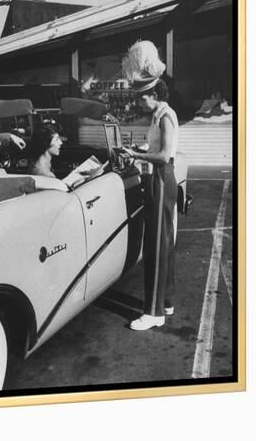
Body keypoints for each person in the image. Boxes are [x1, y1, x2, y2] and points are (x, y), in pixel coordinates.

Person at [122, 40, 179, 331]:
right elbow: (157, 146)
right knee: (163, 243)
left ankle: (154, 313)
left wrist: (136, 154)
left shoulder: (166, 115)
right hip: (161, 177)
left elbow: (164, 155)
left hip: (160, 176)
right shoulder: (159, 115)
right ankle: (165, 302)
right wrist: (142, 146)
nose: (140, 102)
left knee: (156, 244)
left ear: (155, 94)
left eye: (143, 97)